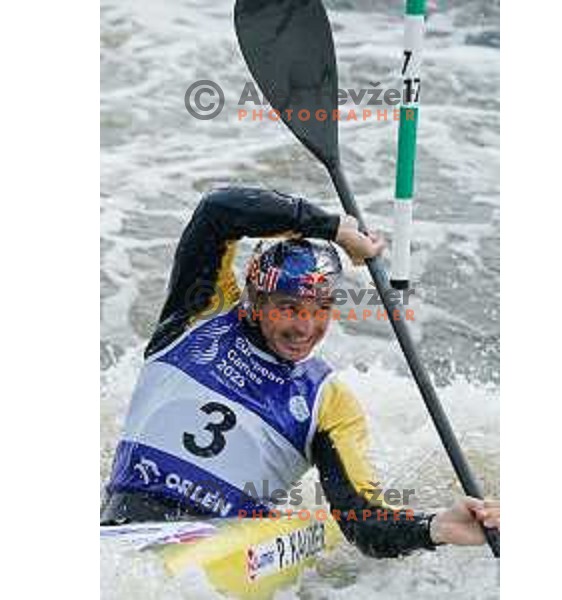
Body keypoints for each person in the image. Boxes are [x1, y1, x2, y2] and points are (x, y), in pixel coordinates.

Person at [101, 186, 499, 557]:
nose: (306, 328)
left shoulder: (327, 402)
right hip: (119, 527)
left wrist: (437, 528)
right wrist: (332, 229)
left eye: (321, 309)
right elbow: (217, 212)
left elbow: (362, 522)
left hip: (210, 553)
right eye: (289, 307)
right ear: (256, 300)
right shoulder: (200, 316)